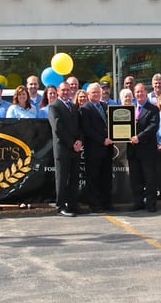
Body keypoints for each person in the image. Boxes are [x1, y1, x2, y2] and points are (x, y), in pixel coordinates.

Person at [48, 81, 84, 216]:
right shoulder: (54, 106)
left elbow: (80, 126)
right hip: (63, 149)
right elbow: (58, 128)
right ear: (58, 91)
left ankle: (73, 205)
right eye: (63, 90)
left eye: (68, 90)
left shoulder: (74, 107)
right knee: (62, 179)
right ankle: (61, 206)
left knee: (74, 179)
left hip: (75, 149)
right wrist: (72, 143)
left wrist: (79, 141)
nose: (66, 92)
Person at [80, 83, 114, 212]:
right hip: (94, 149)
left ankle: (107, 203)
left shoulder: (105, 106)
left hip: (108, 149)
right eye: (93, 92)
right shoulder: (85, 109)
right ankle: (94, 204)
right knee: (93, 178)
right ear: (88, 94)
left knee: (106, 177)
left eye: (98, 92)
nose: (96, 94)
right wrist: (102, 140)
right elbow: (87, 130)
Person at [128, 83, 160, 212]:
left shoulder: (153, 109)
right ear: (134, 94)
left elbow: (153, 126)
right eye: (137, 92)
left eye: (141, 91)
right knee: (135, 178)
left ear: (146, 93)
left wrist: (139, 137)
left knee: (150, 178)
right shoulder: (130, 109)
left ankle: (151, 203)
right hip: (133, 150)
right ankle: (138, 202)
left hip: (147, 149)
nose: (139, 94)